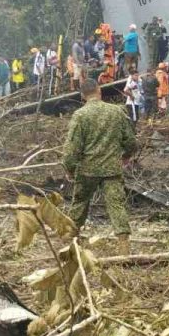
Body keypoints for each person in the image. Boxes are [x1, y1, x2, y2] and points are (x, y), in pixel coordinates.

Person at [62, 79, 137, 255]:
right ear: (99, 91)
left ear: (82, 95)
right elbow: (131, 141)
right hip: (111, 169)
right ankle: (124, 246)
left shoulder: (80, 115)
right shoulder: (117, 112)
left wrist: (69, 168)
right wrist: (126, 156)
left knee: (79, 203)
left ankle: (69, 241)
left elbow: (73, 148)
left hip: (87, 169)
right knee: (116, 205)